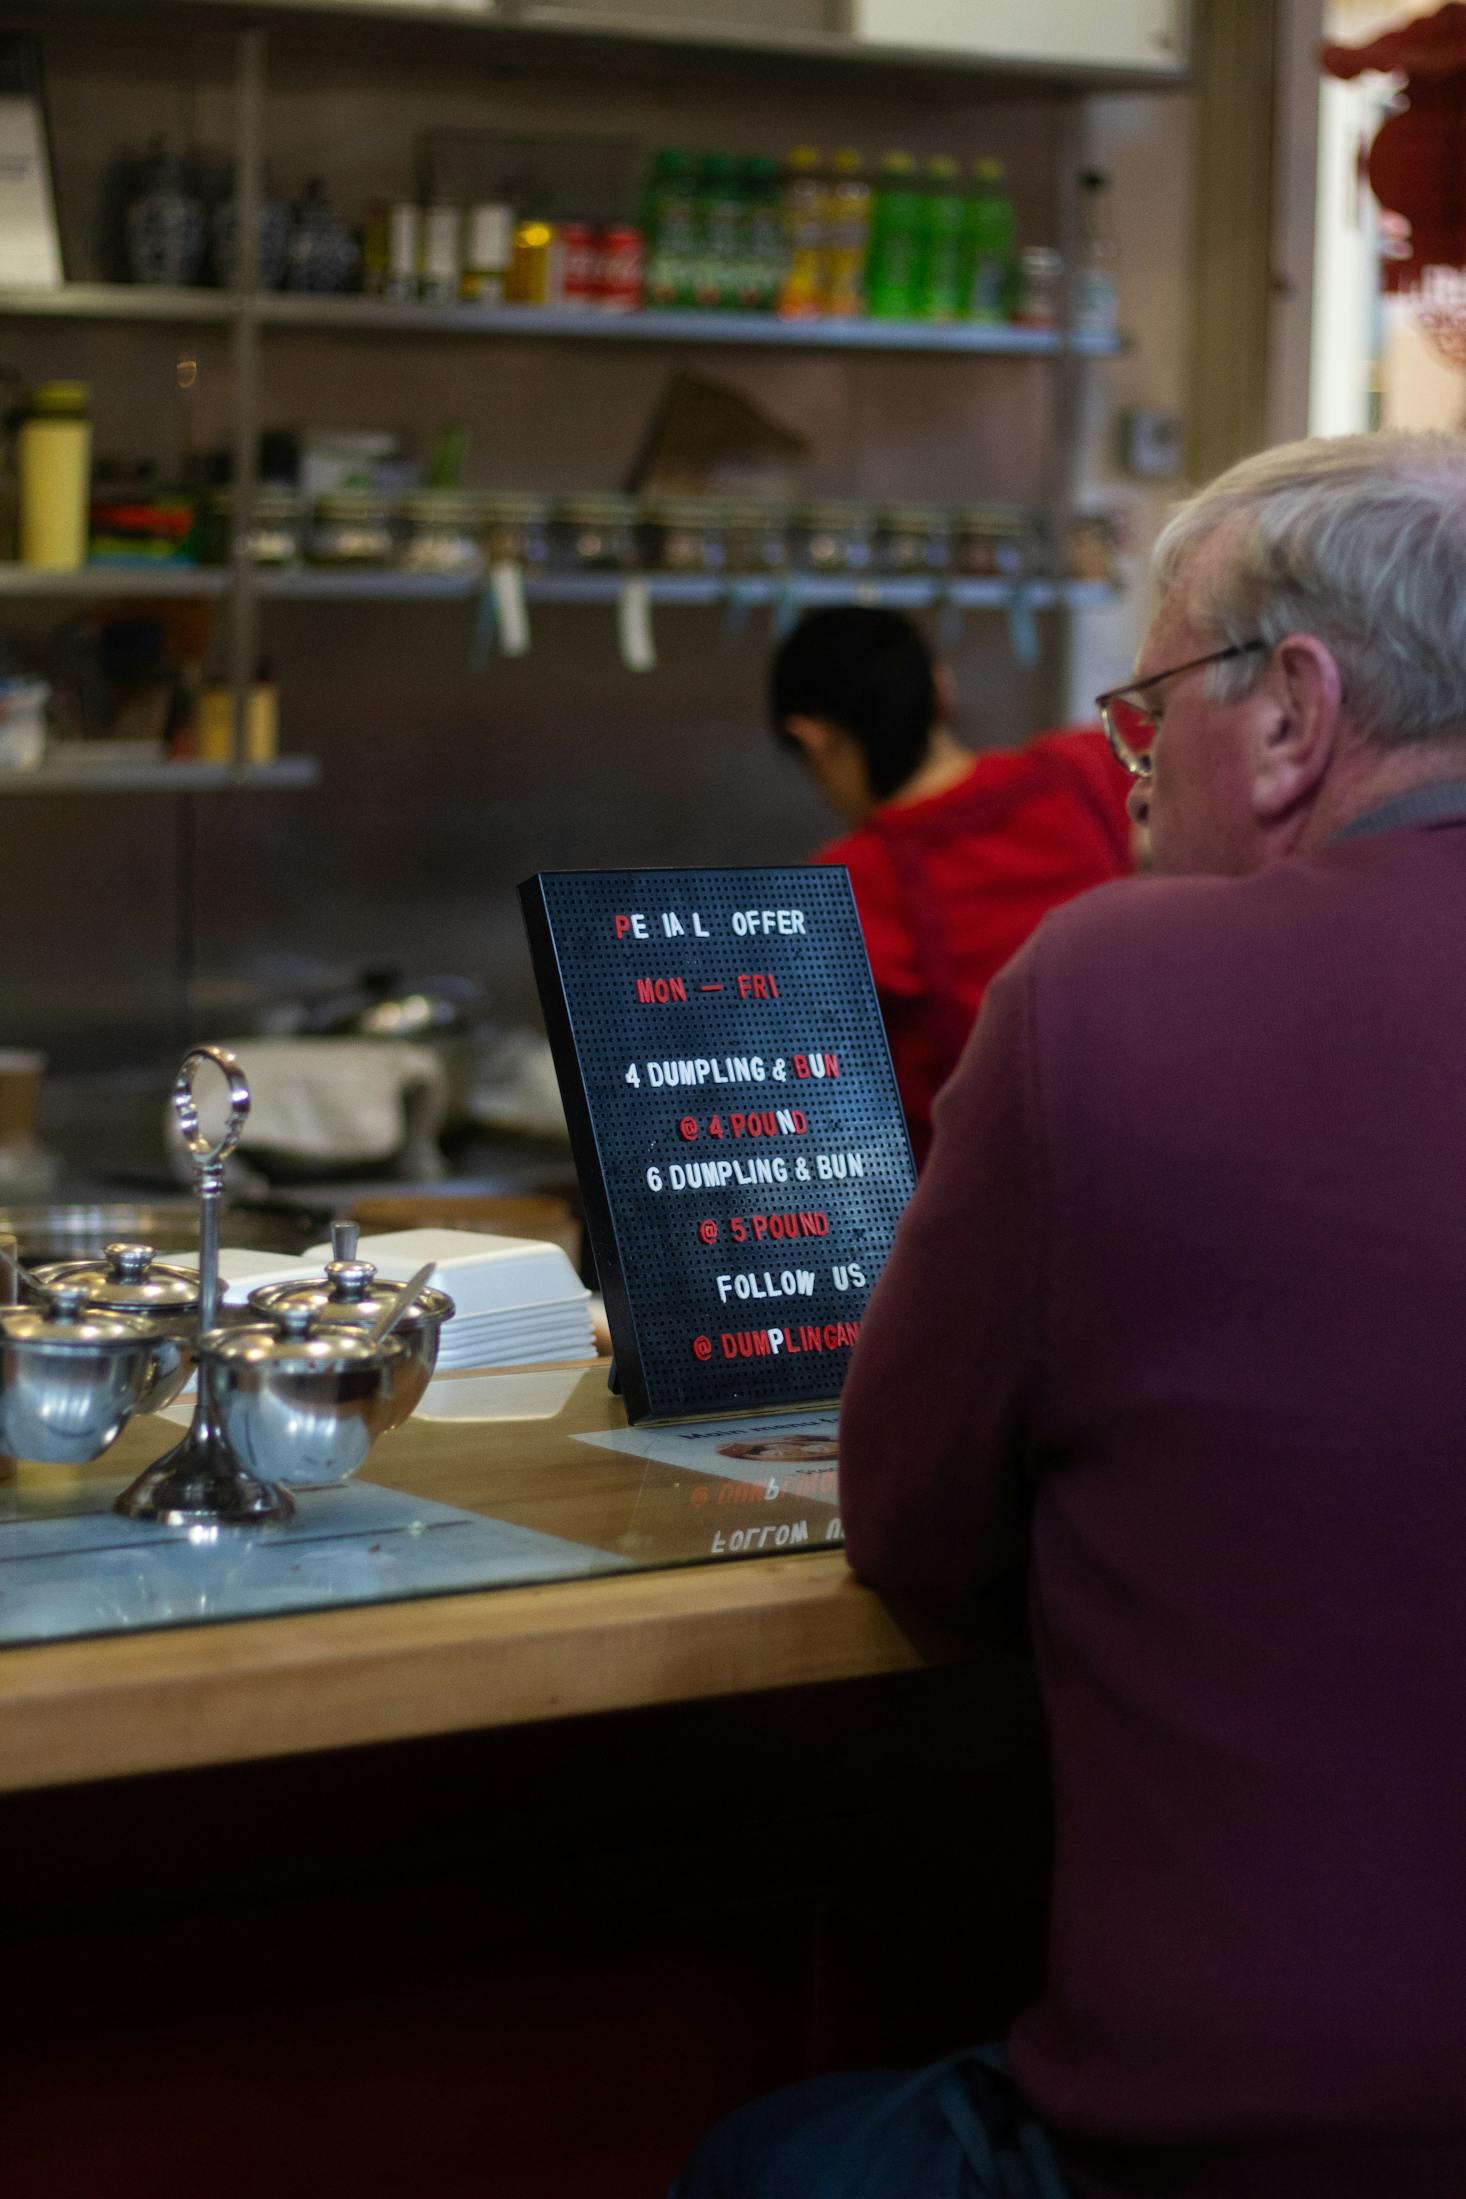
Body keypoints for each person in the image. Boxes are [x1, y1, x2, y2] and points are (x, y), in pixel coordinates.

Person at [675, 430, 1466, 2198]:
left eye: (1146, 711)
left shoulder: (1114, 983)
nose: (1124, 777)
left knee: (766, 2159)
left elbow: (916, 1528)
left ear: (1289, 714)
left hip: (1254, 2144)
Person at [770, 608, 1135, 1162]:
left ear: (813, 739)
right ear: (941, 690)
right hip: (1129, 1150)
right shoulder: (1082, 765)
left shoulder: (848, 885)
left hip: (973, 1207)